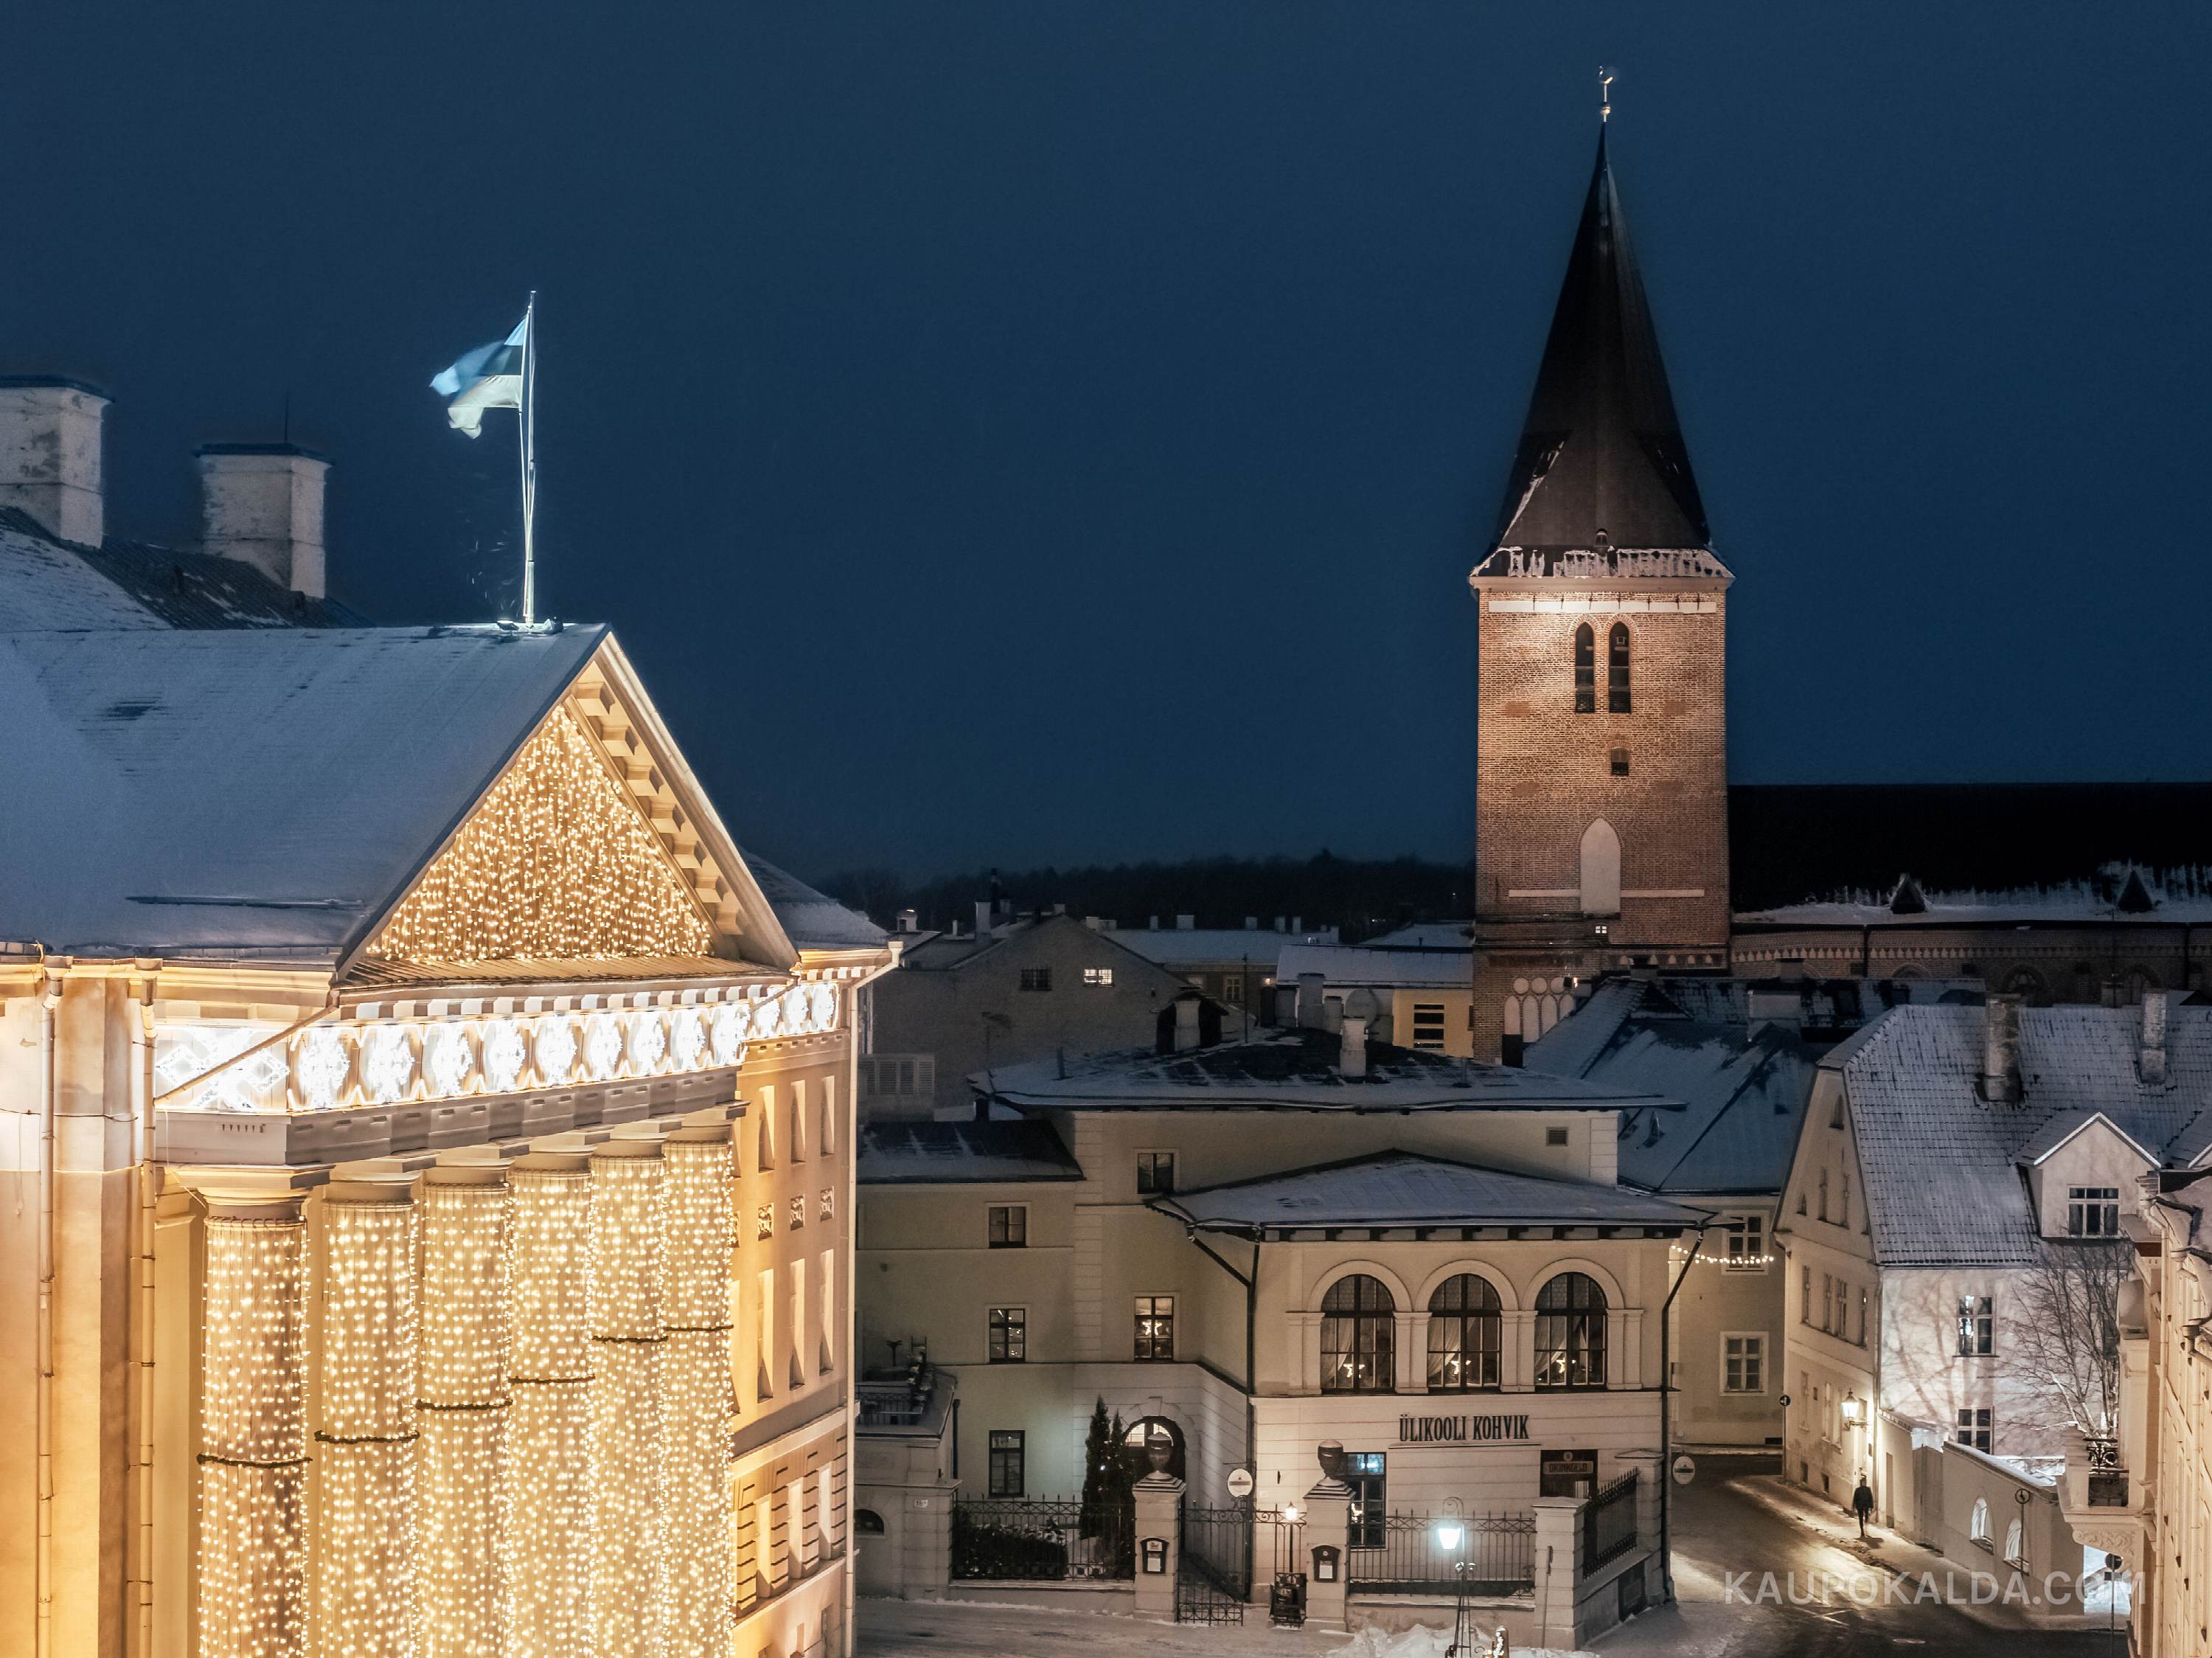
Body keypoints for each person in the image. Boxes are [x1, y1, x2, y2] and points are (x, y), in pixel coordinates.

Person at [1851, 1475, 1875, 1539]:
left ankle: (1865, 1527)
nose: (1864, 1483)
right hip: (1860, 1506)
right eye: (1863, 1482)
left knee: (1867, 1517)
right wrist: (1853, 1506)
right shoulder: (1858, 1490)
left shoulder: (1868, 1489)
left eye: (1865, 1482)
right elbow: (1855, 1498)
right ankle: (1862, 1530)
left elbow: (1870, 1498)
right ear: (1861, 1483)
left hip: (1866, 1506)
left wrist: (1871, 1506)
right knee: (1861, 1518)